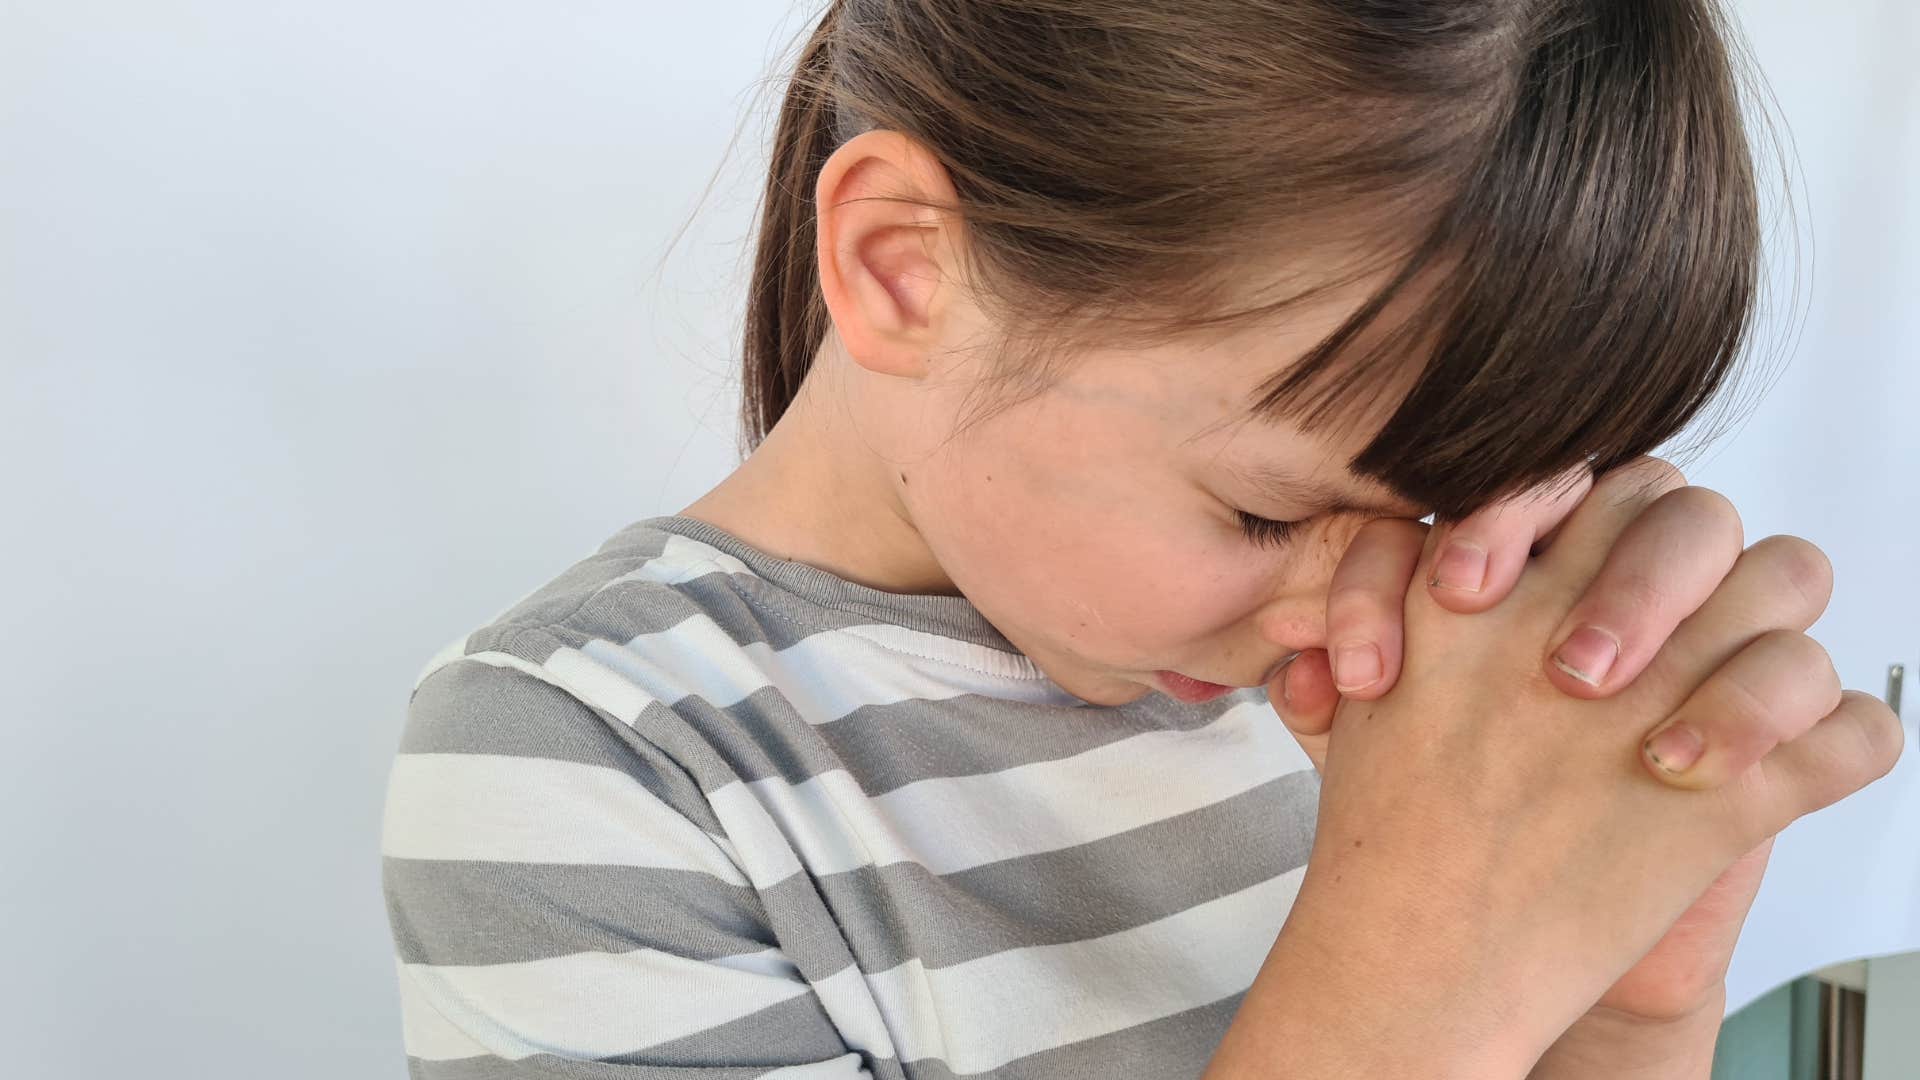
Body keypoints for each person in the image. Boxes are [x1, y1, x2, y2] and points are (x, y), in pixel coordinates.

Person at [379, 2, 1904, 1077]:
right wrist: (1429, 949)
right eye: (1271, 512)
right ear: (906, 272)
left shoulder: (1383, 683)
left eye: (1455, 515)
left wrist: (1630, 1006)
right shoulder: (594, 764)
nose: (1356, 611)